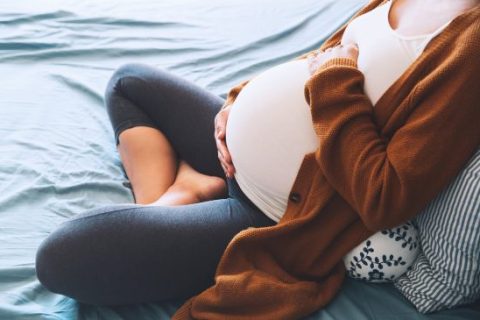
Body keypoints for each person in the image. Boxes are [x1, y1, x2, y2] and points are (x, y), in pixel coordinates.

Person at [35, 0, 480, 317]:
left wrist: (333, 82)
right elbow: (324, 56)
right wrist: (238, 101)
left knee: (61, 259)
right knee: (129, 82)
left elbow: (387, 196)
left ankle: (175, 198)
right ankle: (187, 189)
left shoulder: (472, 47)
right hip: (231, 158)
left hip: (278, 213)